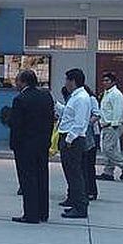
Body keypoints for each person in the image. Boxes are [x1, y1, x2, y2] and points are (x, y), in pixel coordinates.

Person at [9, 69, 55, 224]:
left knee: (28, 179)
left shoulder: (20, 99)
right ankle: (43, 212)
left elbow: (16, 126)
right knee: (42, 177)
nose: (16, 84)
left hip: (25, 146)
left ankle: (31, 214)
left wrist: (14, 145)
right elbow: (51, 120)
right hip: (42, 144)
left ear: (23, 82)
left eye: (17, 81)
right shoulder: (46, 96)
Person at [55, 69, 93, 219]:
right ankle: (74, 200)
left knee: (75, 174)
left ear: (73, 81)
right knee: (70, 173)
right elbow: (68, 114)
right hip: (68, 137)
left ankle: (80, 206)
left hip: (73, 139)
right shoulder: (75, 97)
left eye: (67, 80)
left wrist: (69, 140)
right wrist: (56, 105)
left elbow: (79, 123)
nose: (65, 83)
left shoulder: (82, 98)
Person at [96, 73, 123, 182]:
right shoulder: (106, 93)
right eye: (104, 80)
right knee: (111, 149)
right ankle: (108, 173)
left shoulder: (116, 94)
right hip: (105, 125)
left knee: (107, 149)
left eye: (107, 80)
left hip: (112, 125)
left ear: (113, 82)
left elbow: (118, 110)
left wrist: (114, 125)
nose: (105, 83)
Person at [84, 86, 101, 202]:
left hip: (92, 134)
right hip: (85, 134)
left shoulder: (91, 99)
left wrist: (87, 124)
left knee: (89, 165)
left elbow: (96, 114)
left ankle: (91, 191)